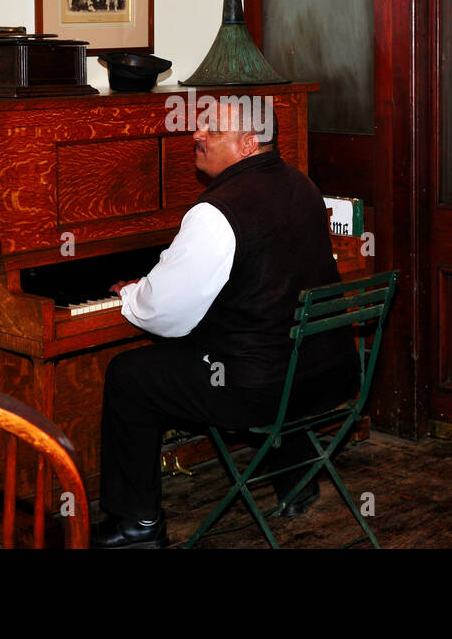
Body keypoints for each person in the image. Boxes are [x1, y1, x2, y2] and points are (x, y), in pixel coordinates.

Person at [93, 98, 357, 549]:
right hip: (330, 374)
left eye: (211, 130)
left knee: (128, 375)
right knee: (270, 338)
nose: (196, 135)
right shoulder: (302, 184)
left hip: (260, 390)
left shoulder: (215, 213)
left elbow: (164, 312)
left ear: (248, 143)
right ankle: (296, 483)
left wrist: (133, 294)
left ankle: (136, 524)